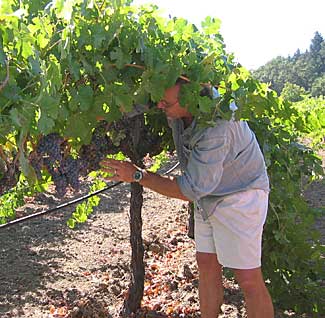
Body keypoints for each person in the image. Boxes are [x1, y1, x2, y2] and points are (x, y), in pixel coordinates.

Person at [100, 81, 274, 318]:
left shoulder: (217, 126)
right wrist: (100, 112)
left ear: (192, 98)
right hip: (208, 193)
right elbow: (145, 101)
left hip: (240, 195)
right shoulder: (177, 92)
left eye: (167, 102)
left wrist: (138, 175)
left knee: (247, 278)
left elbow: (190, 189)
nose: (160, 104)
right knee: (206, 263)